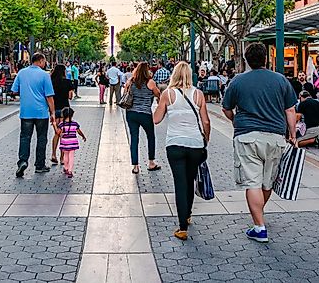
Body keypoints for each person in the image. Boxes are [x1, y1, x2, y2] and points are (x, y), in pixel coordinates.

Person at [222, 43, 297, 244]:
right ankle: (259, 214)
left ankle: (259, 226)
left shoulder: (237, 81)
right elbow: (290, 110)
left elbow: (226, 108)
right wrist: (293, 135)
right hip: (275, 137)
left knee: (252, 182)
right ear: (266, 58)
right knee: (267, 181)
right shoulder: (281, 80)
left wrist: (236, 121)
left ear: (246, 59)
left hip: (247, 136)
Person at [153, 62, 209, 241]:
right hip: (195, 145)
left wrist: (157, 105)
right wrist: (205, 139)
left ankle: (182, 227)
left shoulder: (167, 94)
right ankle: (188, 214)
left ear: (174, 75)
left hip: (175, 144)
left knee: (180, 183)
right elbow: (206, 122)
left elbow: (156, 119)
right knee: (190, 180)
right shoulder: (198, 94)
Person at [11, 53, 56, 177]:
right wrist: (52, 112)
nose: (45, 63)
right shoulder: (44, 75)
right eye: (44, 61)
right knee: (42, 138)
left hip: (26, 112)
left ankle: (23, 161)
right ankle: (39, 165)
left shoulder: (21, 73)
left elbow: (14, 91)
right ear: (40, 61)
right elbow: (49, 97)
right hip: (41, 112)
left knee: (25, 137)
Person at [124, 62, 162, 174]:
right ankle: (151, 163)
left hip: (131, 113)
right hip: (145, 114)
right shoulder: (150, 82)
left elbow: (126, 93)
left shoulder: (131, 81)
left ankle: (135, 166)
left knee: (134, 138)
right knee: (150, 136)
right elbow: (158, 94)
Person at [50, 64, 74, 165]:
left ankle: (53, 154)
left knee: (57, 133)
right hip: (65, 110)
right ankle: (61, 157)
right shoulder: (68, 82)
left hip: (55, 109)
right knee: (64, 134)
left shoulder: (51, 82)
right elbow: (70, 97)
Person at [58, 107, 87, 178]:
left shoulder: (61, 124)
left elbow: (58, 133)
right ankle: (70, 171)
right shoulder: (75, 123)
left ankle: (66, 167)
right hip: (73, 142)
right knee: (71, 156)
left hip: (65, 142)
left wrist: (56, 126)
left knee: (65, 155)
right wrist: (83, 136)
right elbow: (79, 131)